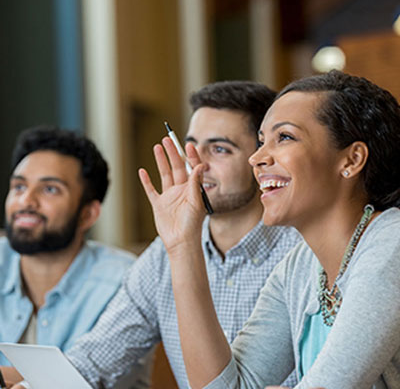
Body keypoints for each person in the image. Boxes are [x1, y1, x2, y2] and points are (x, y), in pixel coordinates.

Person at [139, 70, 400, 388]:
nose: (257, 158)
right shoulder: (299, 268)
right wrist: (182, 245)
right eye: (262, 142)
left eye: (285, 137)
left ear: (351, 159)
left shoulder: (391, 242)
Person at [56, 81, 302, 389]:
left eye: (220, 149)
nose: (196, 164)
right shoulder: (164, 254)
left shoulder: (302, 252)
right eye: (190, 146)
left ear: (262, 157)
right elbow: (94, 360)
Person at [0, 127, 149, 388]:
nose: (26, 200)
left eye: (49, 189)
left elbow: (81, 382)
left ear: (87, 215)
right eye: (19, 186)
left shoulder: (125, 280)